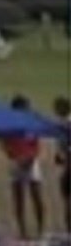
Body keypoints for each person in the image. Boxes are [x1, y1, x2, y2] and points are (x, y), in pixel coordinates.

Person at [2, 95, 46, 239]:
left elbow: (36, 144)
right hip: (16, 161)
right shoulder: (9, 125)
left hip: (31, 162)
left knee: (37, 196)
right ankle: (22, 231)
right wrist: (14, 157)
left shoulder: (31, 123)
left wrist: (31, 159)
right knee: (19, 198)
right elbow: (5, 145)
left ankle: (41, 230)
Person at [54, 95, 71, 233]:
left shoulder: (65, 124)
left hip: (68, 168)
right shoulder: (62, 123)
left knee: (67, 201)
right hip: (67, 167)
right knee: (66, 201)